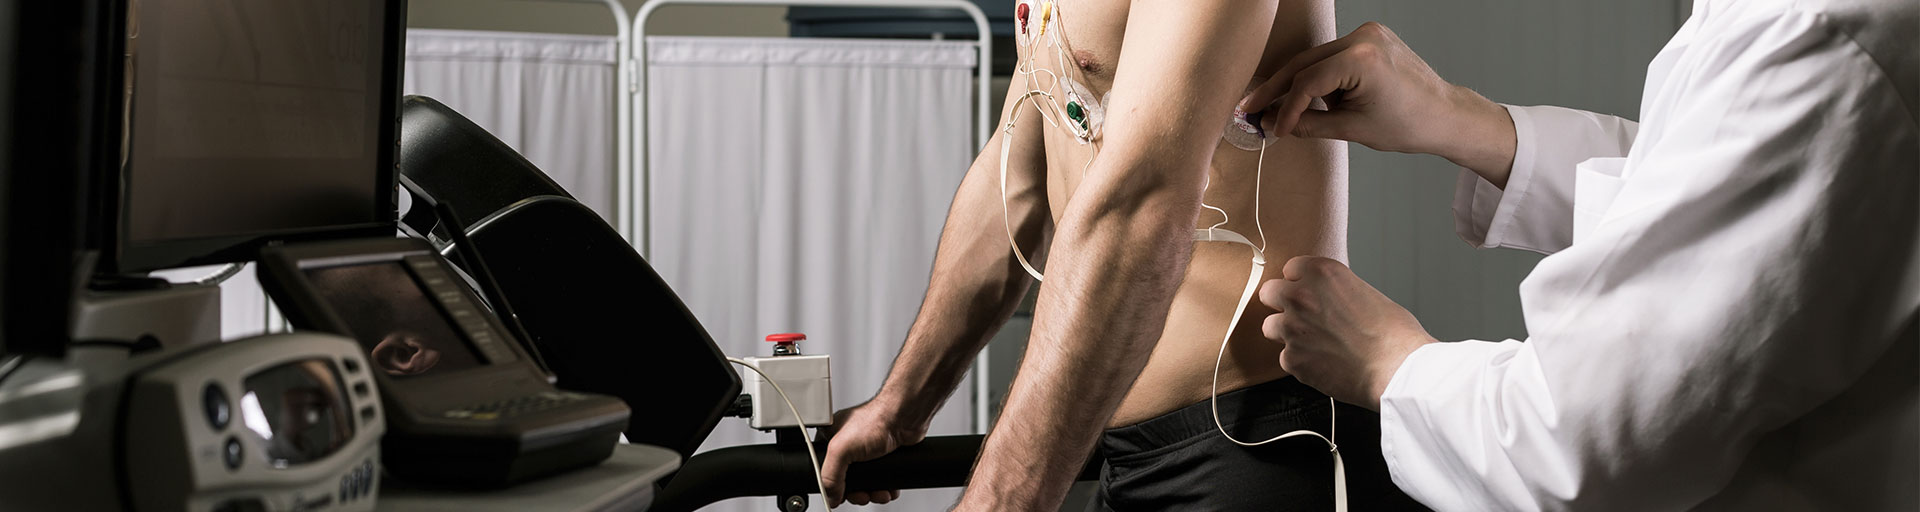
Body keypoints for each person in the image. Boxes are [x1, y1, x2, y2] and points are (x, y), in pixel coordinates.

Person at [1241, 1, 1917, 509]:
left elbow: (1583, 449)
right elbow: (1751, 200)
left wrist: (1389, 362)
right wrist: (1463, 121)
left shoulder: (1820, 35)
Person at [821, 0, 1423, 510]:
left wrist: (1001, 497)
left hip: (1259, 444)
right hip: (1115, 450)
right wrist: (902, 404)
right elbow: (1017, 175)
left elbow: (1143, 199)